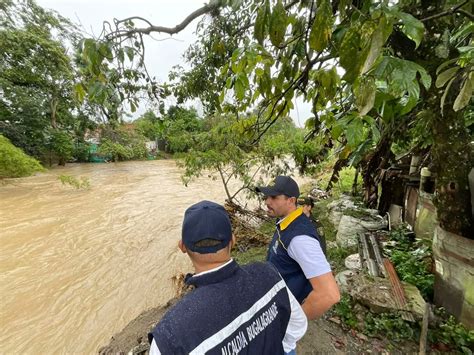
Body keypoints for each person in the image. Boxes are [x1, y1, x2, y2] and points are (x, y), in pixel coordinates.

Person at [148, 200, 307, 355]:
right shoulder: (269, 274)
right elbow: (297, 326)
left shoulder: (170, 335)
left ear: (182, 246)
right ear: (233, 240)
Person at [256, 176, 340, 320]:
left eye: (274, 197)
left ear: (291, 200)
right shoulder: (285, 221)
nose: (267, 201)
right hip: (276, 302)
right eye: (267, 196)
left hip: (285, 311)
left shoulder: (300, 239)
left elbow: (329, 294)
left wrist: (295, 323)